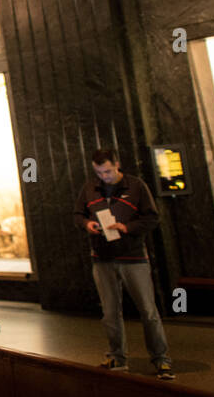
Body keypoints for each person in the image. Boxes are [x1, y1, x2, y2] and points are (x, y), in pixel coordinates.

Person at [73, 149, 172, 380]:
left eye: (107, 171)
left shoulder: (136, 186)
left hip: (133, 257)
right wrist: (87, 224)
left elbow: (152, 218)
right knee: (110, 312)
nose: (104, 176)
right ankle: (117, 356)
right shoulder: (89, 188)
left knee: (148, 311)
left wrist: (127, 228)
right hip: (102, 258)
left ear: (117, 164)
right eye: (99, 172)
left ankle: (162, 360)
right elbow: (77, 215)